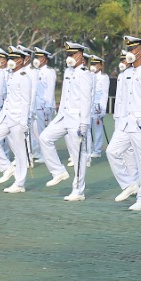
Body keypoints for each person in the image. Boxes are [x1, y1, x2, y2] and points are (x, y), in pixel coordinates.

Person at [106, 36, 141, 211]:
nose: (129, 52)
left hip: (140, 125)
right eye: (128, 49)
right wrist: (118, 121)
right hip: (125, 124)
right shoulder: (125, 75)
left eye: (132, 50)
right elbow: (121, 101)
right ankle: (129, 184)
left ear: (140, 52)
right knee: (112, 152)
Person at [39, 42, 93, 198]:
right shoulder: (68, 72)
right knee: (44, 137)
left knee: (77, 156)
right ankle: (59, 171)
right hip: (64, 116)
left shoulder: (84, 74)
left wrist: (84, 122)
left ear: (80, 56)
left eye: (72, 54)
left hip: (76, 118)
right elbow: (65, 96)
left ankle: (78, 190)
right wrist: (59, 113)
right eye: (68, 55)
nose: (69, 58)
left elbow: (86, 100)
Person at [0, 46, 36, 193]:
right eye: (11, 58)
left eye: (16, 59)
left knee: (20, 152)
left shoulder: (24, 77)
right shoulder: (10, 75)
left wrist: (24, 121)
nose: (13, 61)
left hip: (17, 119)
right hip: (6, 116)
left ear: (22, 61)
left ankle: (20, 183)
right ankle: (7, 168)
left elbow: (26, 101)